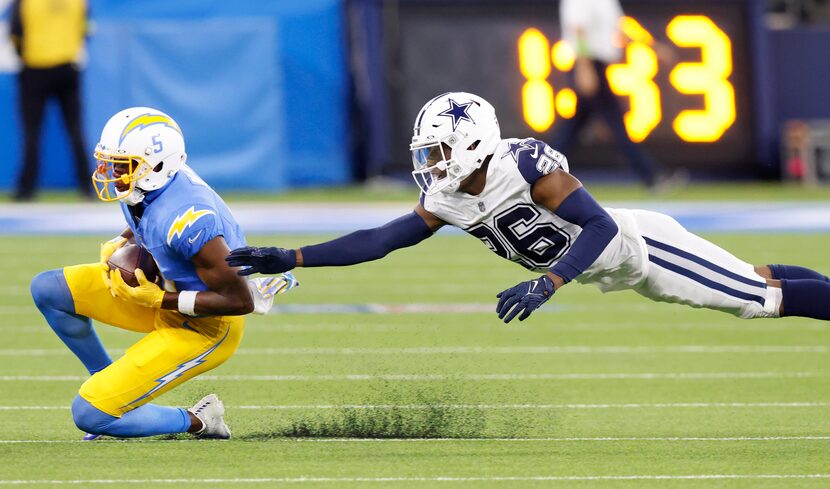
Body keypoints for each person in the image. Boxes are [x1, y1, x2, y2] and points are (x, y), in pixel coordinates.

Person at [227, 91, 830, 325]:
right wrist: (293, 255)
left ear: (471, 144)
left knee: (758, 299)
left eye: (438, 152)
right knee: (755, 280)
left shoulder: (525, 166)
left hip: (642, 249)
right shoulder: (447, 194)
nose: (431, 165)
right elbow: (383, 240)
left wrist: (549, 281)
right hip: (620, 270)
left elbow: (597, 224)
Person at [30, 107, 269, 440]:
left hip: (205, 325)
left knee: (89, 414)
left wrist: (160, 299)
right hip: (158, 293)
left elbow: (239, 300)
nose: (108, 171)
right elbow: (146, 215)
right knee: (48, 289)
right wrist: (121, 240)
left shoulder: (189, 220)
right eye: (109, 161)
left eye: (120, 165)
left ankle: (199, 419)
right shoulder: (150, 182)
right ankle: (115, 388)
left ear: (156, 166)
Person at [554, 0, 679, 190]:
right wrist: (584, 66)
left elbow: (620, 30)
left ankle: (540, 173)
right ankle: (652, 177)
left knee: (573, 128)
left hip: (597, 65)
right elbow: (577, 28)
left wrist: (653, 47)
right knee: (615, 124)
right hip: (588, 63)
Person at [9, 0, 92, 201]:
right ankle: (87, 187)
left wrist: (28, 54)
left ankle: (26, 190)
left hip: (35, 67)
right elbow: (85, 30)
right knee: (75, 130)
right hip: (67, 67)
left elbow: (15, 33)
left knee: (32, 133)